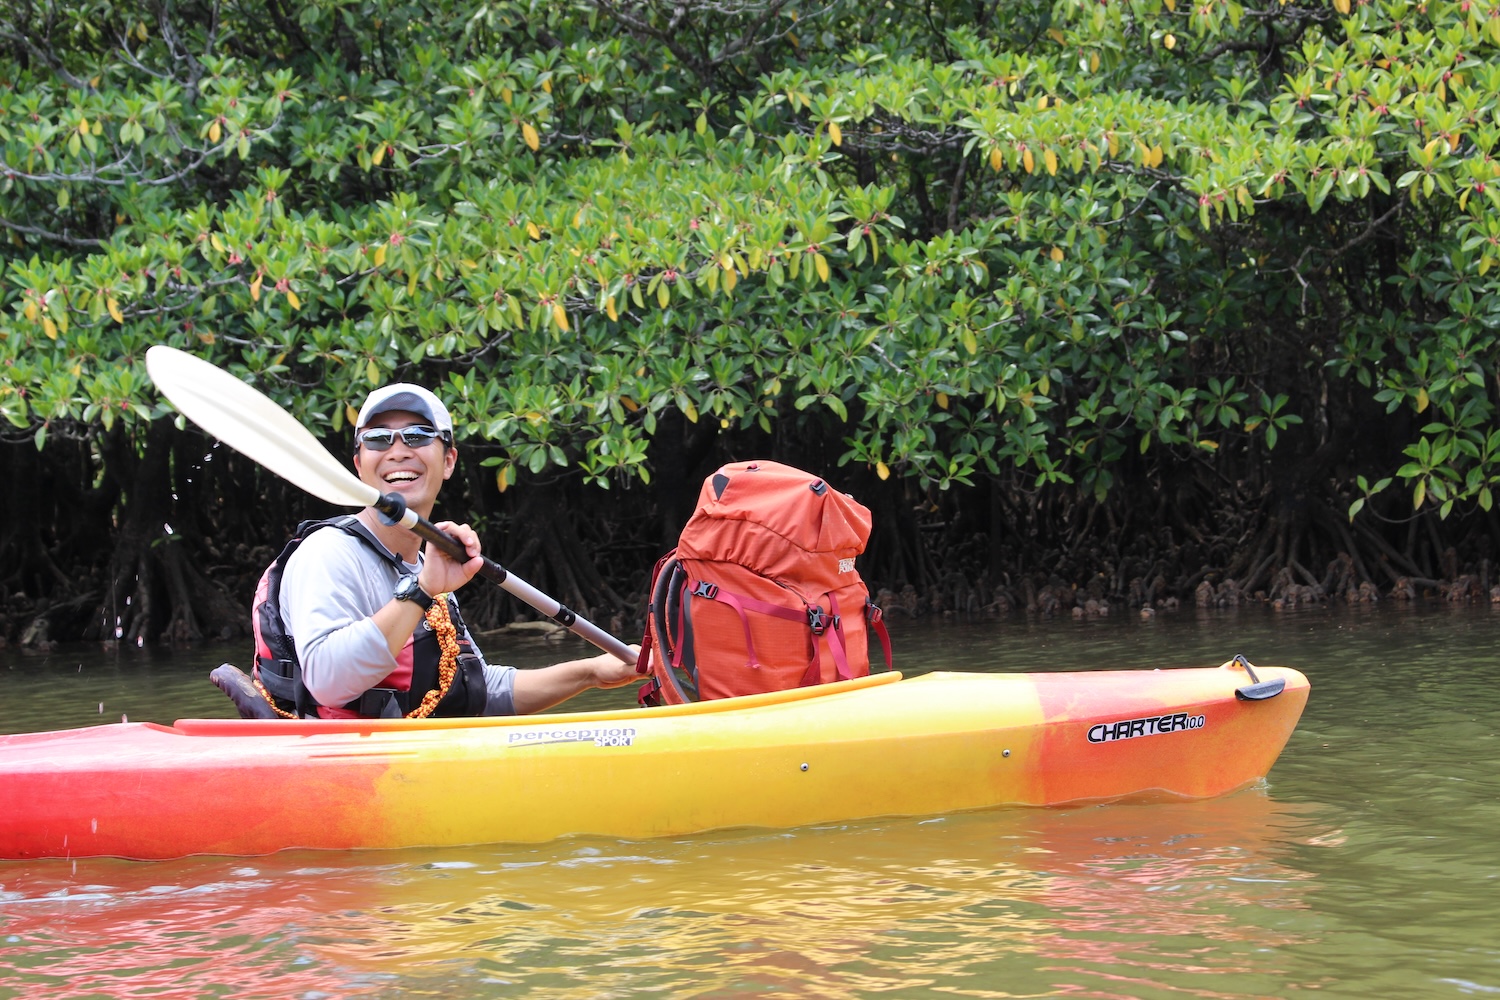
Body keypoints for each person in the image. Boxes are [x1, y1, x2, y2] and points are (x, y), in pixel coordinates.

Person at [253, 382, 637, 719]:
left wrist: (591, 673)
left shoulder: (424, 563)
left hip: (408, 764)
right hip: (343, 774)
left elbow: (478, 691)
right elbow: (328, 682)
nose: (398, 451)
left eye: (418, 436)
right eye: (378, 439)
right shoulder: (328, 554)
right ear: (359, 464)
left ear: (449, 460)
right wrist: (421, 589)